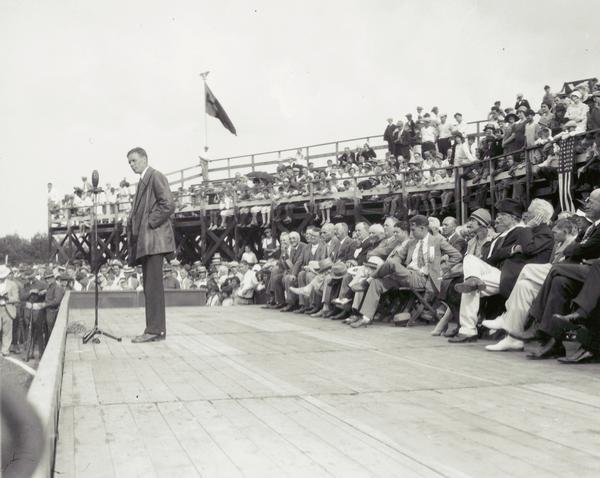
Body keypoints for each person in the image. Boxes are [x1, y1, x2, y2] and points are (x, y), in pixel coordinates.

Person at [126, 147, 176, 343]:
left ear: (145, 159)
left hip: (154, 242)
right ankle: (154, 329)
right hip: (148, 243)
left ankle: (155, 330)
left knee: (153, 287)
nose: (132, 164)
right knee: (150, 287)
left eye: (134, 160)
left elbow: (168, 204)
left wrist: (149, 223)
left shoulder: (155, 176)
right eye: (129, 162)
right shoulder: (143, 181)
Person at [0, 266, 19, 356]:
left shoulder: (12, 284)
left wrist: (7, 298)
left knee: (7, 331)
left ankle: (5, 349)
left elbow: (16, 298)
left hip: (8, 309)